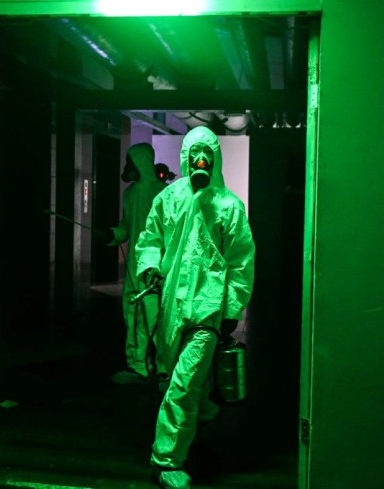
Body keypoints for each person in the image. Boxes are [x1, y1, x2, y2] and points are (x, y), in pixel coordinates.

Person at [135, 127, 255, 489]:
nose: (200, 160)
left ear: (214, 157)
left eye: (207, 153)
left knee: (182, 383)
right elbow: (150, 239)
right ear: (186, 157)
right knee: (178, 377)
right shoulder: (169, 198)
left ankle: (166, 459)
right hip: (172, 305)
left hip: (205, 309)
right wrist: (150, 265)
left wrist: (232, 309)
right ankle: (203, 410)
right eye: (195, 153)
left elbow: (240, 261)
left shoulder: (229, 206)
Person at [109, 142, 167, 384]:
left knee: (156, 320)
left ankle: (164, 367)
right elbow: (126, 225)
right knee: (133, 318)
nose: (128, 167)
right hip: (134, 268)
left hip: (154, 268)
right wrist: (115, 234)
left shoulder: (163, 193)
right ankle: (138, 365)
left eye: (131, 162)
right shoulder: (130, 193)